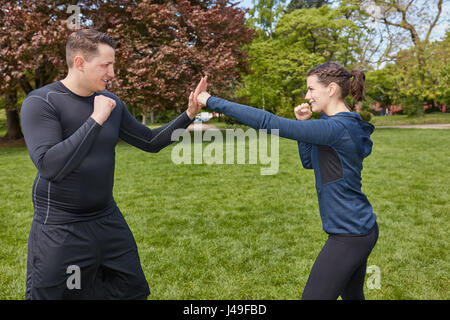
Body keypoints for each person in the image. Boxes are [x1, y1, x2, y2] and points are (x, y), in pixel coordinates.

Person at [20, 29, 205, 299]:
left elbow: (151, 142)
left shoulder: (111, 103)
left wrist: (189, 114)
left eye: (113, 65)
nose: (112, 73)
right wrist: (95, 120)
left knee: (131, 291)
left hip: (106, 218)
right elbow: (50, 166)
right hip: (61, 226)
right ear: (80, 63)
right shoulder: (41, 102)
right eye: (106, 65)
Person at [195, 62, 379, 300]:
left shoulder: (336, 128)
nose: (307, 96)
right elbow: (309, 162)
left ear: (331, 89)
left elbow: (266, 122)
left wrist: (210, 100)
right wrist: (304, 124)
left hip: (349, 234)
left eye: (311, 89)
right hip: (359, 227)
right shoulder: (338, 125)